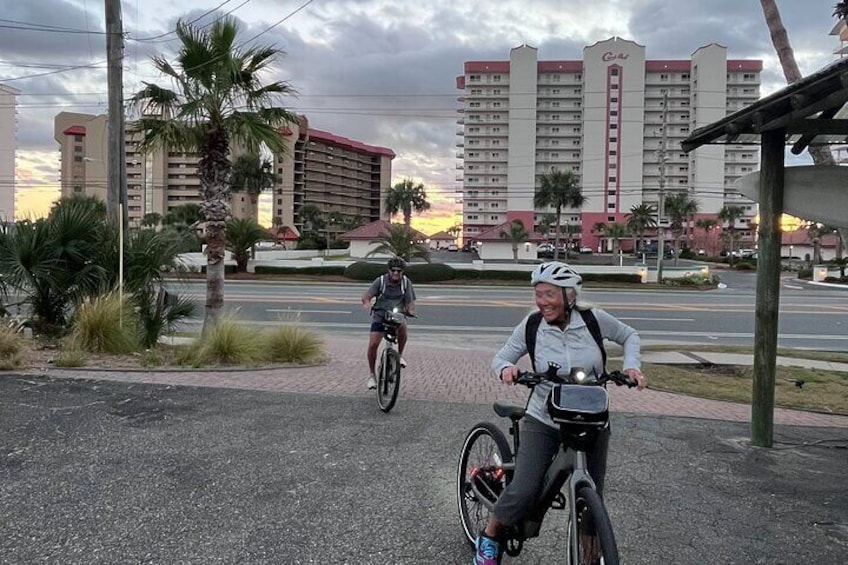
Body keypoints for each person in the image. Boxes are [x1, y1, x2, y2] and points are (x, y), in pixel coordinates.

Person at [472, 261, 647, 565]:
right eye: (538, 294)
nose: (542, 301)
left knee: (593, 497)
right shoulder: (531, 326)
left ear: (569, 296)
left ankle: (589, 559)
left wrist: (632, 365)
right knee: (525, 489)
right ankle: (489, 536)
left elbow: (629, 335)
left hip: (592, 417)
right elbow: (501, 357)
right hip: (544, 417)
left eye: (549, 294)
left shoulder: (594, 320)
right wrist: (508, 369)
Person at [361, 257, 416, 390]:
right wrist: (367, 304)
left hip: (397, 314)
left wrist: (411, 310)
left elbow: (410, 302)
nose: (396, 273)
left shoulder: (405, 282)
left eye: (399, 271)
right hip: (380, 315)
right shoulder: (380, 281)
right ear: (389, 270)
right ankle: (372, 376)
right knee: (373, 344)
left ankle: (400, 355)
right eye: (393, 270)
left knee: (403, 327)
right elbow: (366, 297)